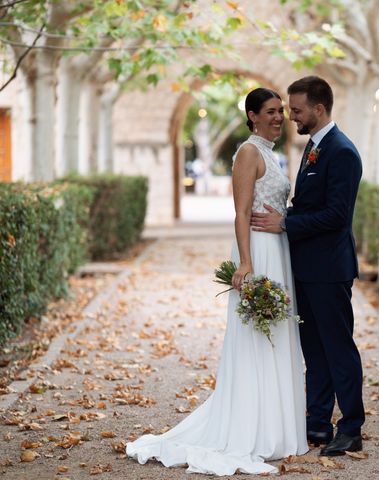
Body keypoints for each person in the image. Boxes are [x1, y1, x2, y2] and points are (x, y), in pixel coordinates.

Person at [126, 88, 308, 475]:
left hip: (279, 251)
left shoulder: (272, 154)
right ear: (253, 115)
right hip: (258, 253)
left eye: (282, 112)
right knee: (256, 335)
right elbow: (241, 213)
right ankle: (251, 428)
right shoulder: (247, 153)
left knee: (276, 332)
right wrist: (246, 262)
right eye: (272, 112)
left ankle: (275, 426)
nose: (280, 117)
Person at [251, 76, 365, 456]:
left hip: (330, 270)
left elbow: (337, 216)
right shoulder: (315, 147)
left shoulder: (343, 151)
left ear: (319, 108)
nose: (291, 116)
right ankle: (317, 423)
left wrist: (285, 222)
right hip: (306, 268)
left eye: (296, 110)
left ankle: (351, 426)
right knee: (313, 350)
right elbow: (312, 204)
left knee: (338, 348)